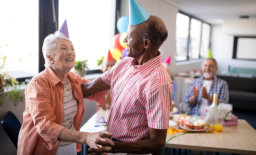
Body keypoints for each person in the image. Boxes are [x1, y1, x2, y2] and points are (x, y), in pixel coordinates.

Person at [81, 0, 173, 154]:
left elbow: (157, 143)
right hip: (113, 145)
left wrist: (111, 146)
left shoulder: (158, 83)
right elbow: (88, 88)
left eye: (129, 37)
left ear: (146, 43)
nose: (124, 41)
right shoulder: (124, 64)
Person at [17, 25, 114, 155]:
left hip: (70, 146)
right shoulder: (39, 83)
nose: (70, 52)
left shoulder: (72, 79)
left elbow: (96, 91)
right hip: (44, 149)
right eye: (64, 48)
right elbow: (46, 126)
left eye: (72, 49)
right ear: (49, 57)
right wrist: (86, 137)